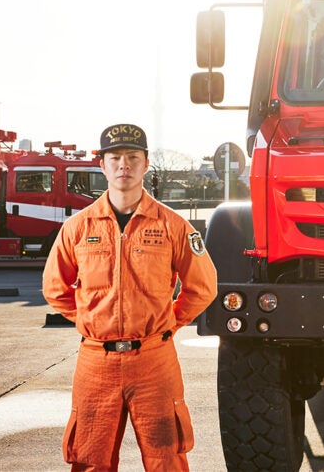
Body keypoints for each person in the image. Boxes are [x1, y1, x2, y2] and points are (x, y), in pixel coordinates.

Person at [43, 123, 217, 471]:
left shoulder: (173, 226)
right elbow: (55, 289)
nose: (124, 165)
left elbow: (203, 287)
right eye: (116, 157)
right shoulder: (78, 228)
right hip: (96, 364)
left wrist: (168, 322)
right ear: (102, 164)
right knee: (90, 458)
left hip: (154, 361)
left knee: (167, 456)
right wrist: (92, 322)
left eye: (133, 157)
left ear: (146, 163)